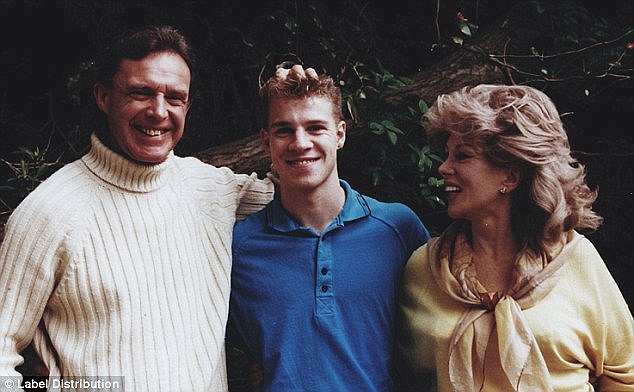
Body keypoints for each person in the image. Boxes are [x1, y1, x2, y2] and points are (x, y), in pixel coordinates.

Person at [0, 25, 274, 391]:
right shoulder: (50, 211)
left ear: (188, 106)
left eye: (174, 97)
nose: (158, 111)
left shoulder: (213, 190)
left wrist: (289, 93)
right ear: (103, 96)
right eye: (141, 92)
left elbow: (301, 188)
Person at [395, 84, 634, 391]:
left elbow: (625, 375)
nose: (443, 168)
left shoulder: (575, 260)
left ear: (510, 176)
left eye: (462, 156)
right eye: (447, 155)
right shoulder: (424, 268)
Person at [227, 64, 431, 391]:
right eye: (283, 130)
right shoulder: (240, 247)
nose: (300, 143)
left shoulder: (397, 229)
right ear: (266, 142)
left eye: (315, 127)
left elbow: (437, 330)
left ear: (340, 134)